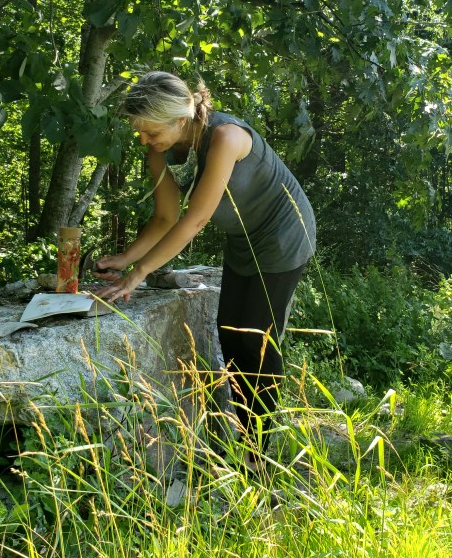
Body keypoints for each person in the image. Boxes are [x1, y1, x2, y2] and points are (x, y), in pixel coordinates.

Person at [95, 71, 316, 455]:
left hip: (284, 237)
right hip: (242, 241)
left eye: (150, 131)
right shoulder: (160, 149)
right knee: (230, 335)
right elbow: (165, 217)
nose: (144, 140)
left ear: (180, 118)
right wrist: (126, 258)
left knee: (256, 343)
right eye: (141, 133)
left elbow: (194, 221)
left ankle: (259, 454)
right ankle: (240, 433)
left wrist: (139, 274)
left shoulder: (226, 138)